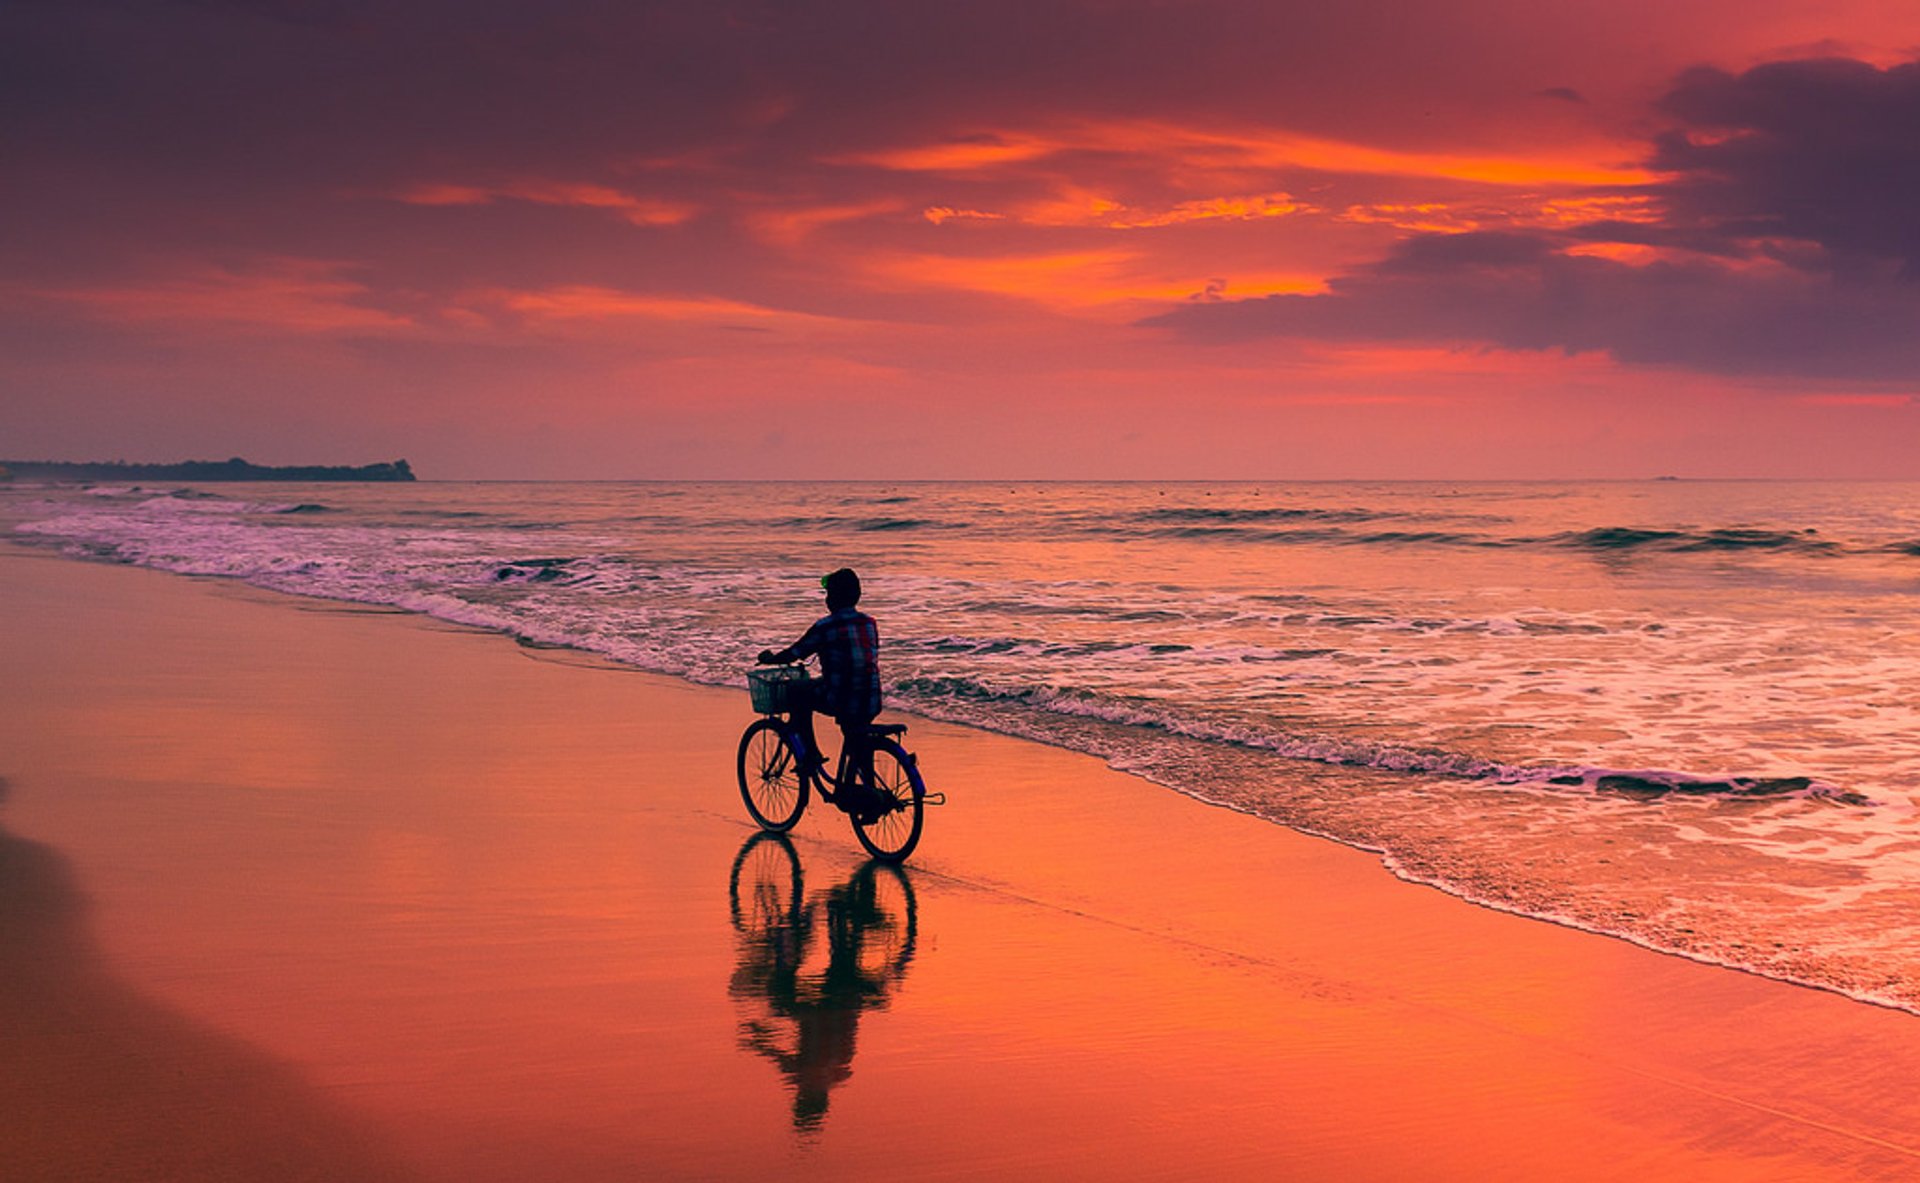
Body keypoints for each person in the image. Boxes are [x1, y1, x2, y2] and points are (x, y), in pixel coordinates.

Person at [757, 568, 883, 812]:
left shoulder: (826, 626)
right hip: (872, 698)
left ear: (832, 598)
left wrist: (770, 658)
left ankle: (810, 755)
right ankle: (870, 790)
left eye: (827, 593)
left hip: (841, 698)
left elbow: (796, 652)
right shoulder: (870, 622)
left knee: (796, 692)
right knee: (857, 738)